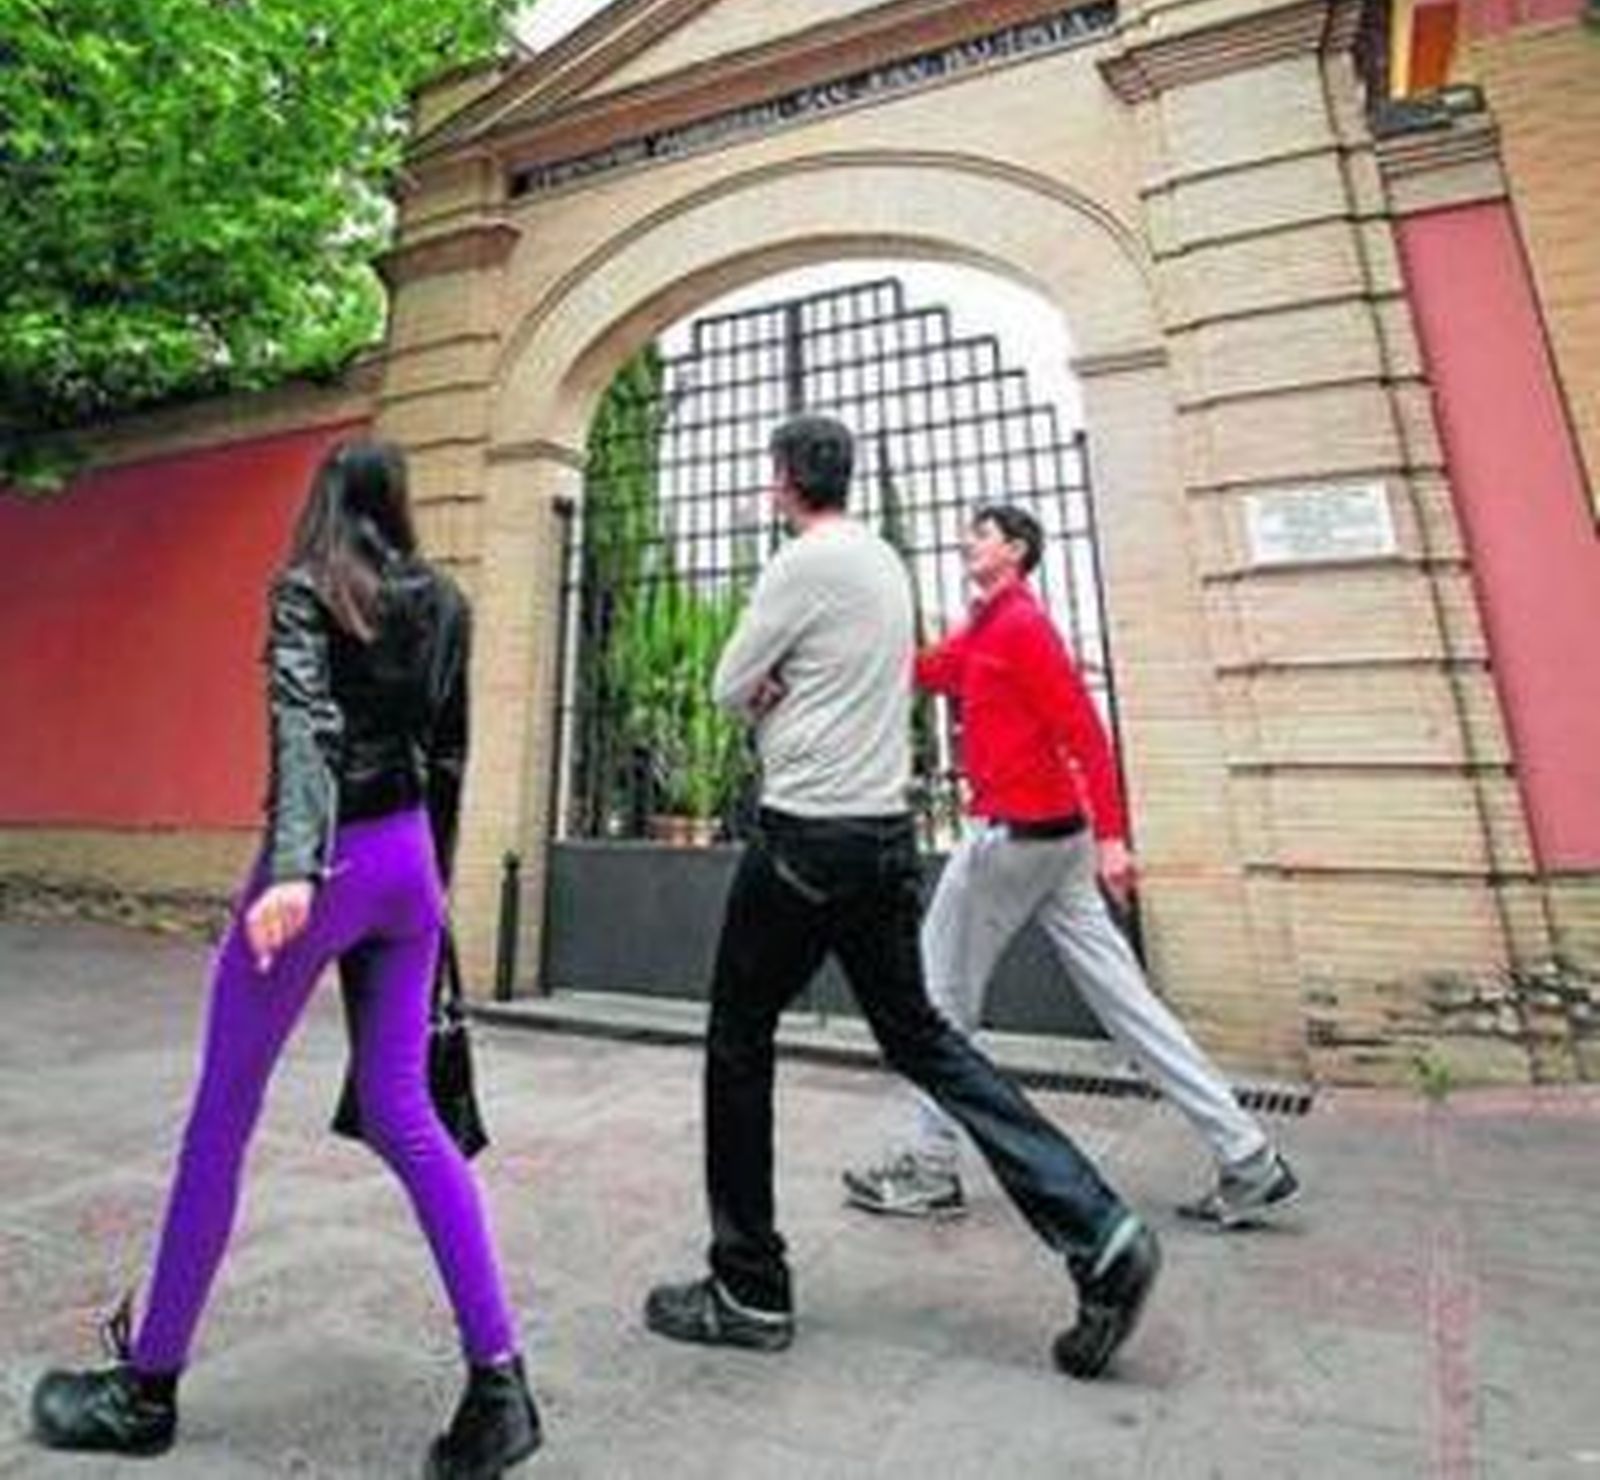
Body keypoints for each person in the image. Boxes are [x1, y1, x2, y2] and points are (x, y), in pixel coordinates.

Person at [30, 439, 542, 1478]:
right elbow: (448, 753)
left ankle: (147, 1386)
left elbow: (305, 724)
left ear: (322, 505)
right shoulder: (445, 600)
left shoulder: (306, 589)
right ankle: (501, 1383)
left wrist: (297, 868)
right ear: (397, 504)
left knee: (220, 1117)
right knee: (408, 1113)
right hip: (407, 867)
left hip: (323, 866)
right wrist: (431, 900)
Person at [643, 416, 1160, 1379]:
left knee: (737, 1041)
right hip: (883, 841)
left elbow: (724, 684)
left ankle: (748, 1286)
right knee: (923, 1037)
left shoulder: (802, 562)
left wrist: (769, 691)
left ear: (788, 480)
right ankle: (1099, 1230)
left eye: (772, 475)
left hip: (805, 839)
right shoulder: (883, 559)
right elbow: (875, 673)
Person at [842, 501, 1299, 1230]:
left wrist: (1116, 838)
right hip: (1055, 847)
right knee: (1130, 1007)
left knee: (935, 1003)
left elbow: (1086, 734)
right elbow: (928, 671)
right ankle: (1248, 1158)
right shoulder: (990, 626)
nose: (969, 539)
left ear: (1017, 549)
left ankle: (929, 1169)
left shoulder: (1024, 628)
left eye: (983, 532)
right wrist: (860, 643)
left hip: (1017, 839)